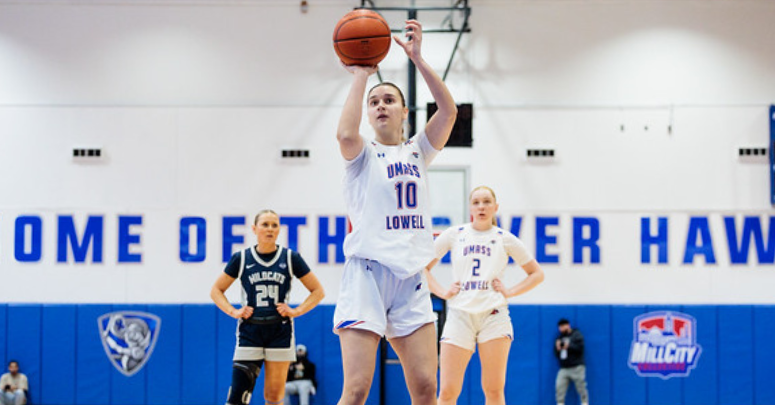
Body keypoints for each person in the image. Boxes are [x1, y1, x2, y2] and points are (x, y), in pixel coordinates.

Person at [333, 18, 457, 405]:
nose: (381, 105)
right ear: (368, 114)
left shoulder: (418, 152)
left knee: (425, 388)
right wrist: (361, 75)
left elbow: (448, 110)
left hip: (410, 277)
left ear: (404, 112)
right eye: (374, 102)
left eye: (388, 100)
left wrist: (418, 59)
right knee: (356, 391)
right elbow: (345, 135)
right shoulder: (362, 155)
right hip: (367, 274)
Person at [425, 186, 545, 405]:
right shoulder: (455, 234)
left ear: (495, 207)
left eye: (487, 202)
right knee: (448, 391)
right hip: (460, 315)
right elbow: (422, 269)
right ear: (470, 207)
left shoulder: (504, 238)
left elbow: (536, 274)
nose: (481, 206)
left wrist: (510, 292)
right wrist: (443, 292)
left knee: (493, 389)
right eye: (477, 202)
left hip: (493, 315)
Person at [211, 209, 325, 405]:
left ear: (279, 230)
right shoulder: (242, 258)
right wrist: (233, 311)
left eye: (274, 225)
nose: (270, 229)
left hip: (279, 331)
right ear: (254, 229)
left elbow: (318, 291)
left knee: (273, 397)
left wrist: (296, 311)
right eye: (265, 224)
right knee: (237, 396)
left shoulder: (290, 258)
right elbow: (216, 290)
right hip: (250, 331)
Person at [554, 319, 588, 405]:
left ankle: (584, 402)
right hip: (564, 367)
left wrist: (569, 346)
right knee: (559, 387)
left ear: (568, 325)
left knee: (581, 387)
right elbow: (556, 353)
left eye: (563, 326)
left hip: (577, 367)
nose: (561, 329)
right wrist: (558, 348)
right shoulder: (559, 338)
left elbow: (580, 348)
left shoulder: (576, 335)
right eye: (560, 327)